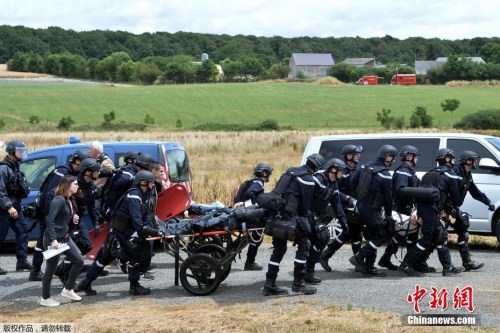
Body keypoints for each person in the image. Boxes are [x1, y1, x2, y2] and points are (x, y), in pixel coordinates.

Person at [263, 153, 324, 296]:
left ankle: (269, 284)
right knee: (304, 246)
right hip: (290, 218)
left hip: (276, 216)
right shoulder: (308, 179)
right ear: (316, 168)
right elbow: (306, 206)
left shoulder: (290, 172)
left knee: (278, 250)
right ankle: (299, 284)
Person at [30, 149, 88, 281]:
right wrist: (54, 213)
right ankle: (36, 271)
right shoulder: (63, 173)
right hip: (49, 212)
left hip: (53, 212)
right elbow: (51, 194)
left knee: (44, 241)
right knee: (43, 242)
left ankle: (41, 270)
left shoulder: (68, 172)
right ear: (76, 162)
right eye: (81, 165)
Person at [398, 170, 464, 277]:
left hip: (432, 221)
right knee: (425, 242)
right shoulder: (429, 193)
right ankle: (406, 265)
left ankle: (448, 268)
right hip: (430, 223)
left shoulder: (427, 193)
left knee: (441, 239)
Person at [349, 144, 398, 276]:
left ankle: (369, 267)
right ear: (387, 156)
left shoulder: (364, 166)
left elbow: (353, 183)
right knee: (382, 234)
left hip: (361, 206)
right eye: (392, 157)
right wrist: (389, 215)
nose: (393, 160)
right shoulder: (385, 174)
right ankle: (359, 257)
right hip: (373, 209)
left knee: (372, 236)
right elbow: (388, 198)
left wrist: (356, 200)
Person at [378, 145, 427, 272]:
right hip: (402, 208)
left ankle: (390, 260)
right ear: (409, 157)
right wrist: (417, 192)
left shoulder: (409, 170)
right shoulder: (403, 171)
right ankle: (407, 264)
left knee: (406, 235)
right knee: (406, 234)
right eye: (415, 157)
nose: (417, 159)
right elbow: (401, 190)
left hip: (407, 207)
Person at [40, 175, 84, 307]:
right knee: (50, 270)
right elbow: (50, 221)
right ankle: (45, 298)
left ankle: (68, 289)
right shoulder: (58, 200)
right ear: (67, 185)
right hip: (53, 240)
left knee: (79, 261)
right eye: (75, 184)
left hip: (64, 237)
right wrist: (53, 239)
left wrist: (73, 218)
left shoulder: (69, 199)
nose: (77, 186)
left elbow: (61, 219)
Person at [319, 144, 363, 272]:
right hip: (343, 205)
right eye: (356, 154)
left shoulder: (358, 169)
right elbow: (335, 189)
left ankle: (326, 255)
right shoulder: (341, 170)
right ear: (349, 156)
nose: (359, 156)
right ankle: (358, 262)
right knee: (354, 232)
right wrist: (347, 198)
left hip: (354, 205)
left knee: (351, 232)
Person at [451, 150, 495, 271]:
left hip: (453, 209)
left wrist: (488, 202)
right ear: (468, 161)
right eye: (474, 160)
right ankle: (418, 262)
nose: (476, 162)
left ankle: (467, 262)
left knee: (463, 233)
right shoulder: (455, 171)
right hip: (444, 210)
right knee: (435, 236)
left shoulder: (467, 174)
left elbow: (475, 192)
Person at [307, 158, 348, 282]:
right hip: (307, 215)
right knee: (311, 243)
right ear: (333, 170)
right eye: (341, 172)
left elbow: (337, 205)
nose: (342, 175)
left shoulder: (333, 183)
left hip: (318, 216)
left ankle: (309, 270)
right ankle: (304, 272)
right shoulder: (317, 180)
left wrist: (344, 223)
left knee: (321, 240)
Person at [0, 140, 32, 275]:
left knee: (23, 230)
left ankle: (22, 261)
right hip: (3, 209)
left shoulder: (15, 166)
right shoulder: (3, 168)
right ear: (11, 152)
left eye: (23, 151)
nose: (22, 154)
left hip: (15, 206)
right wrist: (8, 207)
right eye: (19, 151)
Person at [234, 163, 273, 271]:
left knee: (251, 237)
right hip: (246, 214)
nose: (268, 176)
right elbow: (250, 194)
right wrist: (254, 205)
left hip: (241, 212)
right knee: (257, 236)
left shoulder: (251, 181)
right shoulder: (258, 183)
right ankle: (250, 263)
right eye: (268, 174)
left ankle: (248, 261)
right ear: (264, 173)